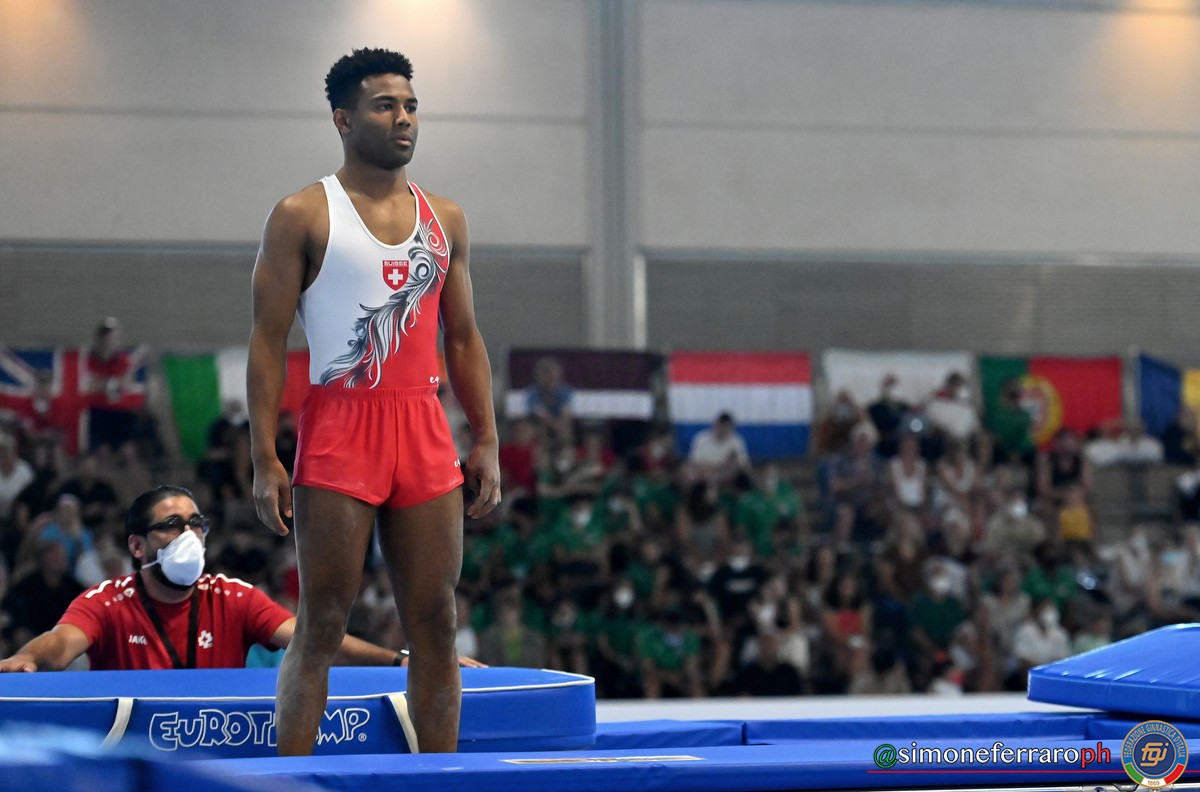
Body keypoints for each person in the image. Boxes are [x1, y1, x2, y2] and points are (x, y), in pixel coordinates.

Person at [247, 48, 501, 756]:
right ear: (343, 119)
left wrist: (486, 437)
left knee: (436, 623)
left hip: (424, 427)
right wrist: (264, 457)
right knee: (322, 623)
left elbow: (463, 338)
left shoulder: (445, 218)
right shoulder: (302, 214)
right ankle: (292, 777)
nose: (404, 119)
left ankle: (439, 777)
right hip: (340, 427)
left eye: (411, 106)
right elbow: (267, 342)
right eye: (385, 106)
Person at [0, 486, 405, 672]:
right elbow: (61, 643)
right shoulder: (108, 600)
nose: (189, 536)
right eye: (171, 525)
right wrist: (27, 657)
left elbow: (314, 641)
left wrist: (399, 661)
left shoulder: (232, 597)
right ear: (137, 546)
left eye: (196, 524)